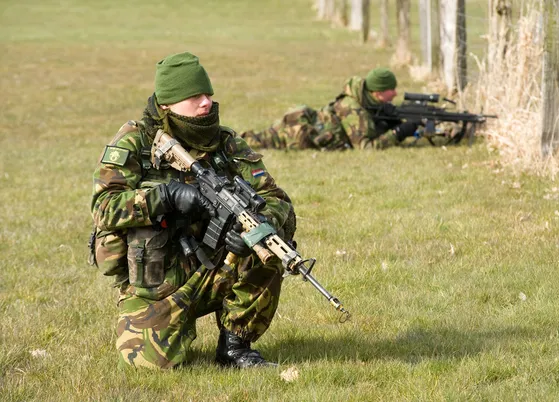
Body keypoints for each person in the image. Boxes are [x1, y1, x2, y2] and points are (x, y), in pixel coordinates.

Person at [90, 52, 295, 369]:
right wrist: (164, 197)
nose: (206, 103)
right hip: (155, 280)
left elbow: (274, 195)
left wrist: (256, 228)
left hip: (215, 266)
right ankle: (168, 322)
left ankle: (235, 348)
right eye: (194, 96)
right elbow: (104, 209)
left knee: (267, 245)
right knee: (153, 365)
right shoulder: (135, 142)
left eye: (208, 94)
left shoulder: (226, 143)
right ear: (167, 104)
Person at [240, 67, 420, 150]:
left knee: (255, 139)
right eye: (391, 90)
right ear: (379, 92)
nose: (395, 93)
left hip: (308, 123)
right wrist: (398, 133)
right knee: (253, 142)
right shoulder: (354, 109)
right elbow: (366, 147)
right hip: (298, 133)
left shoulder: (365, 102)